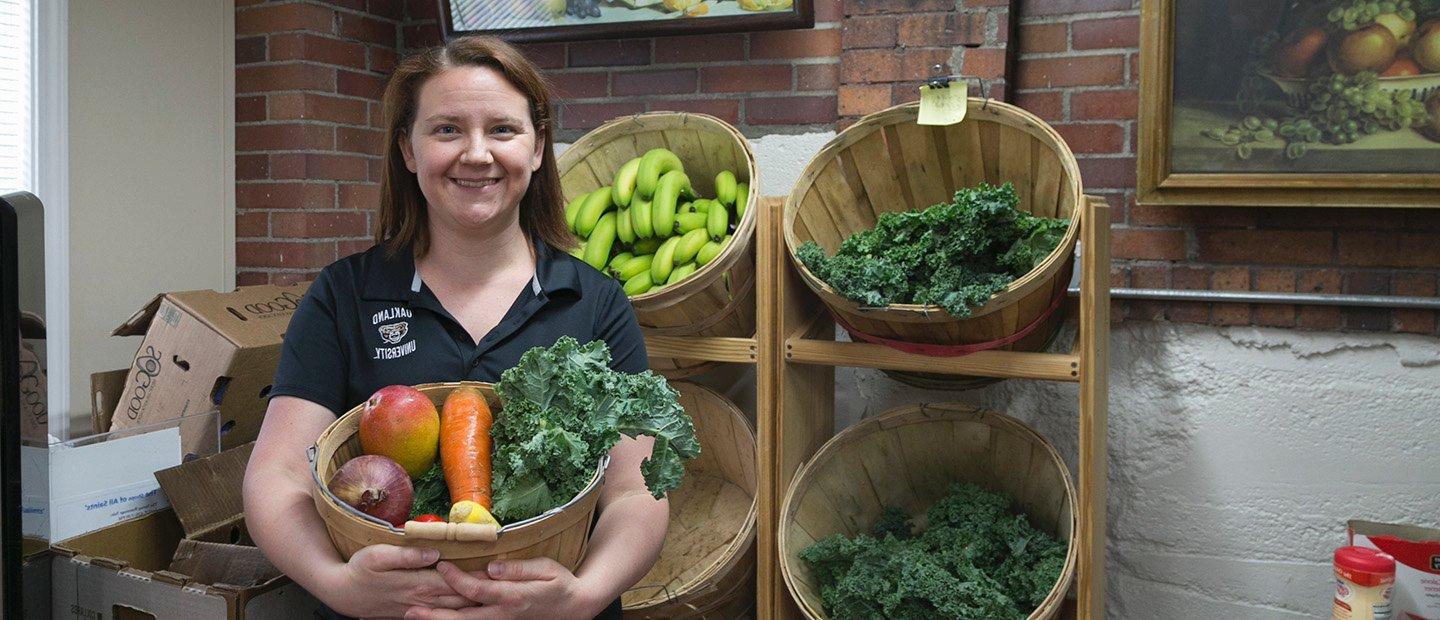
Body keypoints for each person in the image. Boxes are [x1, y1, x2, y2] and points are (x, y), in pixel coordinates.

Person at [242, 36, 668, 620]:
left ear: (538, 148)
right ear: (408, 151)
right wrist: (337, 584)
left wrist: (584, 595)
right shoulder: (344, 295)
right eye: (446, 130)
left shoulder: (594, 301)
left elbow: (634, 492)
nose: (476, 154)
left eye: (502, 130)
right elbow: (278, 474)